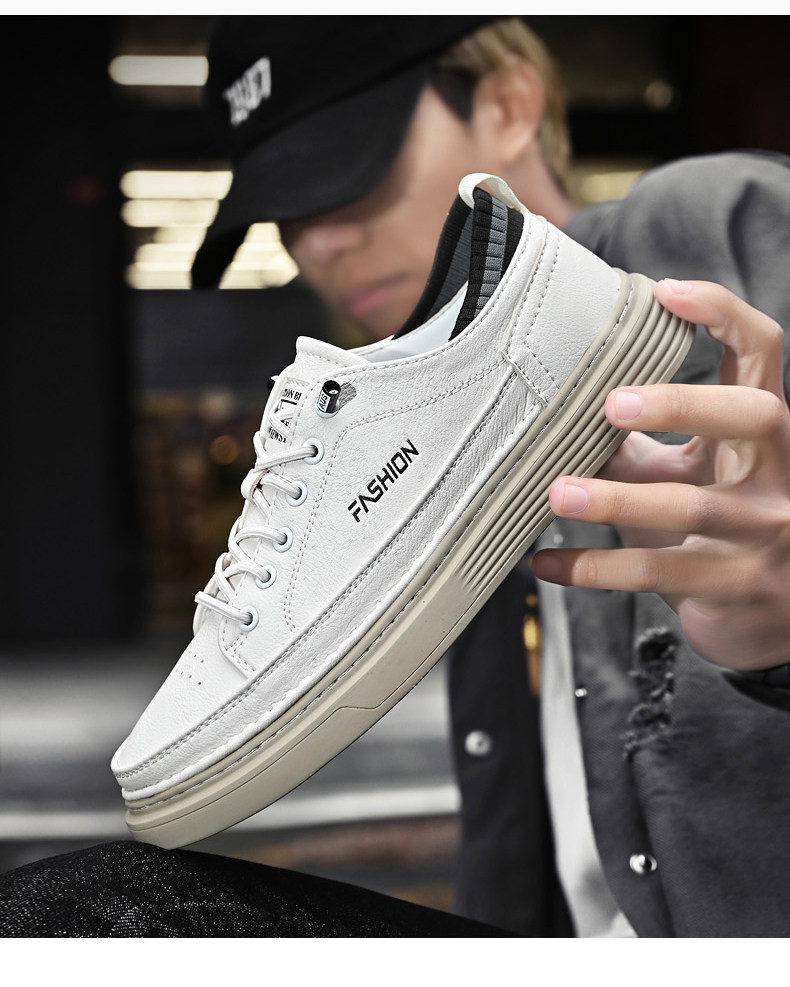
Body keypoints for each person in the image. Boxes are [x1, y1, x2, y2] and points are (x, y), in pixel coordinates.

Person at [2, 15, 789, 938]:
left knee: (90, 916)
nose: (320, 242)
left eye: (348, 169)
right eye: (286, 211)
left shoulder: (712, 223)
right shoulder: (456, 437)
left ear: (508, 103)